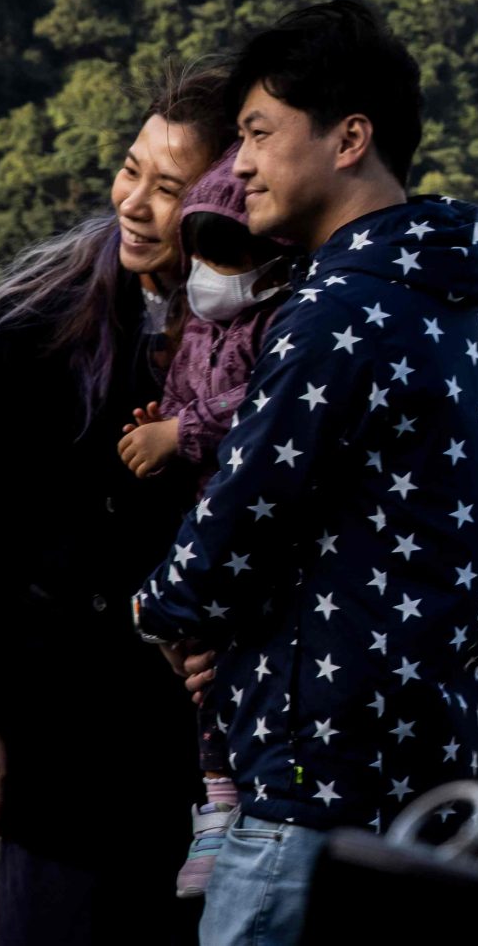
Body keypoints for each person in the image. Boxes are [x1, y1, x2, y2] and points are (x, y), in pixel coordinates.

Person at [131, 0, 478, 946]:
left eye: (260, 134)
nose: (242, 166)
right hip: (434, 749)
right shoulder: (464, 292)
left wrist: (160, 609)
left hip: (318, 772)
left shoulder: (338, 310)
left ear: (350, 138)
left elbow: (232, 524)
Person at [0, 63, 238, 946]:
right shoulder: (40, 318)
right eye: (132, 167)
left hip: (205, 728)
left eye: (168, 187)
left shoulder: (264, 333)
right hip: (63, 712)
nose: (133, 201)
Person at [113, 145, 300, 899]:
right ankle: (217, 805)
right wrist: (167, 416)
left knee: (226, 670)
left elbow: (264, 410)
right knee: (198, 671)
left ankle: (240, 808)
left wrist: (180, 435)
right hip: (200, 528)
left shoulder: (285, 321)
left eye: (230, 252)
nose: (212, 269)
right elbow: (196, 391)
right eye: (204, 250)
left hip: (254, 537)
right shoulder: (194, 323)